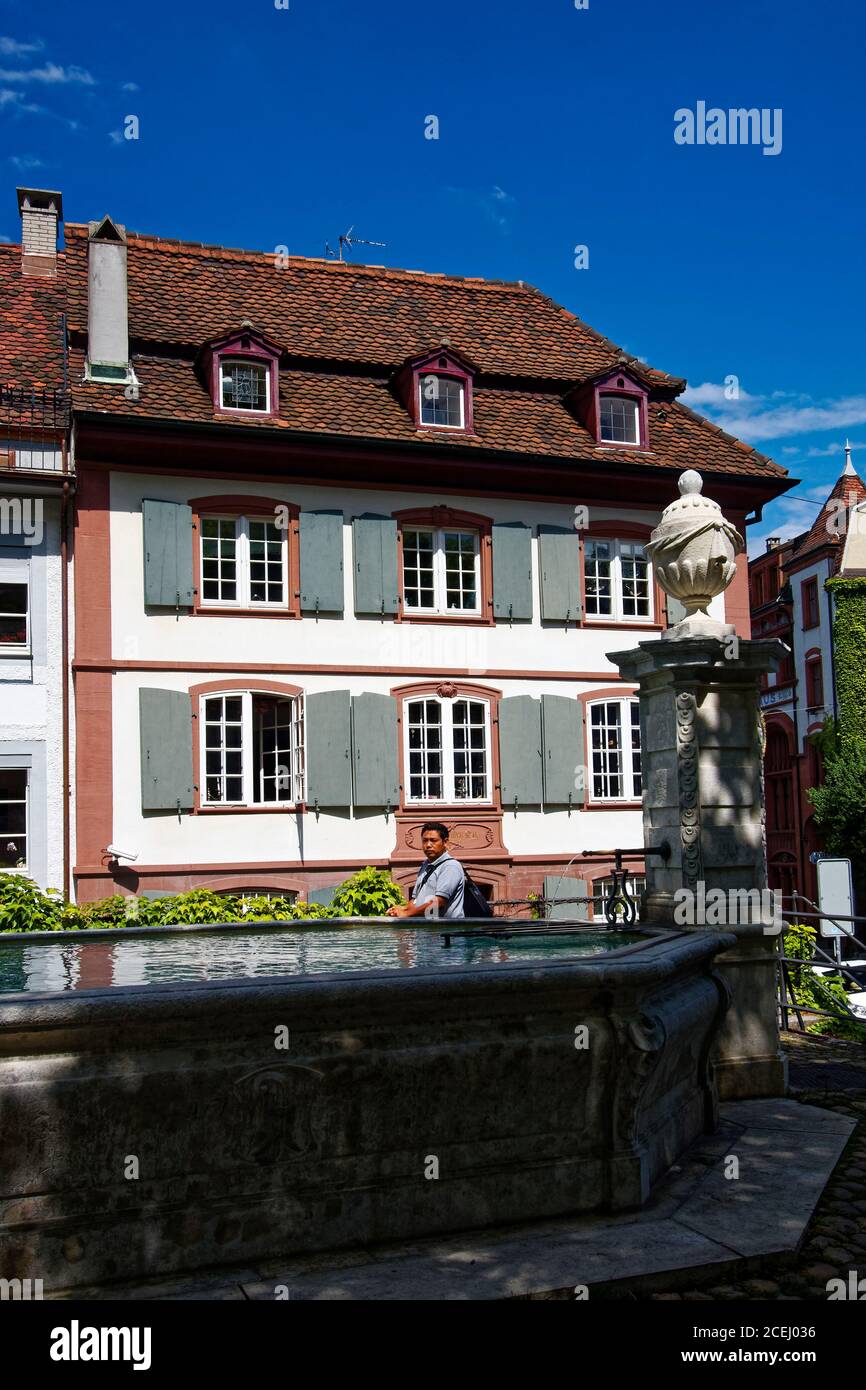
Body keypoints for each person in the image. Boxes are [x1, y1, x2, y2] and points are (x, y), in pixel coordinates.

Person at [387, 822, 465, 920]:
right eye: (425, 841)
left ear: (445, 842)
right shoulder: (425, 865)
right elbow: (415, 901)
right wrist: (402, 909)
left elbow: (439, 902)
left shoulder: (450, 866)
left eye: (433, 840)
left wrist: (407, 914)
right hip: (426, 932)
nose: (428, 845)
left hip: (446, 932)